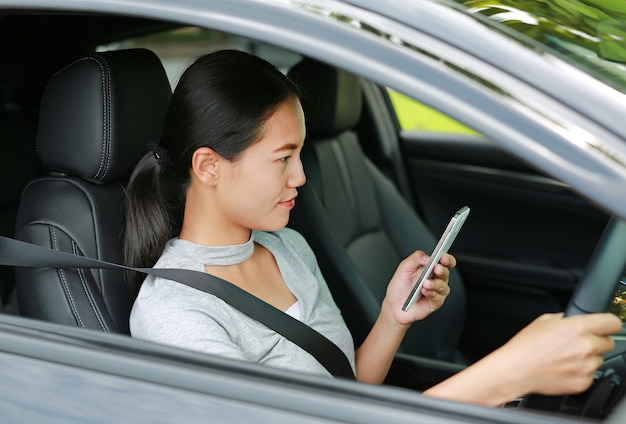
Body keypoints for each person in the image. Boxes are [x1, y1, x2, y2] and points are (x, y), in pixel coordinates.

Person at [125, 49, 622, 407]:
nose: (301, 176)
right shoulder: (176, 314)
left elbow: (349, 391)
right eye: (284, 157)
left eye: (300, 153)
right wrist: (507, 375)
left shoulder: (287, 247)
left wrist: (391, 317)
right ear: (209, 167)